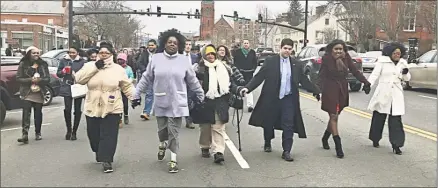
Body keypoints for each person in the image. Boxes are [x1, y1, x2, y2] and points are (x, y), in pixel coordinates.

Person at [132, 29, 204, 173]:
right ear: (164, 43)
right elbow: (146, 78)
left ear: (179, 45)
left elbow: (192, 80)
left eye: (175, 43)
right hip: (161, 100)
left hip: (178, 101)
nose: (172, 45)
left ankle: (173, 159)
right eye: (169, 42)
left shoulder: (184, 60)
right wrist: (136, 94)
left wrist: (201, 95)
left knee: (174, 132)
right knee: (162, 131)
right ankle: (162, 144)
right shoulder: (156, 59)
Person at [239, 38, 320, 162]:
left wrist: (316, 90)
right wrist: (247, 88)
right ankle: (267, 141)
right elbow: (259, 77)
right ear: (280, 48)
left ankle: (286, 150)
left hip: (288, 98)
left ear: (292, 50)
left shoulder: (296, 64)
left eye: (289, 49)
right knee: (268, 121)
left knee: (288, 124)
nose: (287, 51)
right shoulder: (271, 61)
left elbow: (303, 80)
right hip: (272, 97)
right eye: (285, 48)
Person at [74, 42, 135, 173]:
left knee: (109, 135)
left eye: (106, 53)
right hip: (92, 105)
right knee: (94, 135)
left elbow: (126, 86)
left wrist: (134, 97)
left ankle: (107, 160)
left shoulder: (118, 69)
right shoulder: (89, 66)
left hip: (112, 106)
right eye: (101, 53)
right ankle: (98, 150)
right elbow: (79, 79)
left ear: (111, 54)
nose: (103, 55)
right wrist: (95, 67)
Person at [317, 39, 371, 158]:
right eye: (336, 49)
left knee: (335, 115)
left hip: (342, 89)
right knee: (333, 116)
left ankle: (325, 137)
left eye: (340, 49)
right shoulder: (326, 59)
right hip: (330, 88)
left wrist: (366, 82)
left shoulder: (346, 58)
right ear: (331, 49)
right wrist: (317, 90)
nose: (338, 51)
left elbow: (355, 71)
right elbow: (321, 75)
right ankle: (338, 145)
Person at [191, 44, 245, 163]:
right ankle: (205, 146)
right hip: (204, 101)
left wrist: (239, 90)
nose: (210, 56)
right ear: (204, 55)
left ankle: (218, 152)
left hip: (221, 100)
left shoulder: (224, 67)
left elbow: (231, 84)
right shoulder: (199, 69)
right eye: (208, 54)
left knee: (218, 127)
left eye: (212, 54)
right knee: (205, 127)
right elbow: (193, 85)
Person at [367, 42, 410, 155]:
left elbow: (407, 78)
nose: (397, 55)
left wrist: (405, 73)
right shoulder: (382, 62)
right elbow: (375, 75)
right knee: (379, 117)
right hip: (383, 91)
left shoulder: (402, 63)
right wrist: (368, 85)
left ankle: (397, 145)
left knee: (396, 120)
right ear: (390, 53)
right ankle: (375, 138)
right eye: (395, 53)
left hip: (396, 93)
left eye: (399, 53)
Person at [16, 46, 51, 143]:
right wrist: (30, 80)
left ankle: (38, 132)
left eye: (37, 53)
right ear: (29, 54)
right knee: (26, 113)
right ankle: (25, 134)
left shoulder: (43, 64)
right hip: (27, 91)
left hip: (39, 92)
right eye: (33, 53)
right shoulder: (23, 64)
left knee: (38, 113)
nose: (36, 54)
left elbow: (47, 78)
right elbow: (18, 78)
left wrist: (40, 80)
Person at [57, 46, 87, 140]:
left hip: (78, 87)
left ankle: (74, 131)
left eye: (73, 52)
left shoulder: (82, 62)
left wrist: (77, 76)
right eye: (70, 52)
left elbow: (86, 74)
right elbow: (58, 73)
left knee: (77, 110)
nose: (71, 54)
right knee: (67, 109)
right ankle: (68, 130)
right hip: (67, 87)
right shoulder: (64, 61)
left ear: (77, 53)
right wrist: (63, 71)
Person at [232, 39, 257, 112]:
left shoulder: (252, 52)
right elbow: (235, 62)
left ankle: (250, 105)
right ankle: (238, 104)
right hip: (240, 73)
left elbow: (255, 62)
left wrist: (253, 69)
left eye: (247, 43)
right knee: (239, 88)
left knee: (249, 88)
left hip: (249, 73)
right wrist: (237, 71)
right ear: (242, 44)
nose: (246, 44)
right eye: (244, 43)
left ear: (249, 44)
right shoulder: (238, 52)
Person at [137, 39, 157, 120]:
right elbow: (139, 63)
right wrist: (144, 70)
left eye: (152, 45)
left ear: (155, 45)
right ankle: (146, 112)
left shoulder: (160, 54)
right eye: (149, 45)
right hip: (149, 76)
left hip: (159, 76)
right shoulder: (144, 54)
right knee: (149, 94)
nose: (150, 47)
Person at [183, 39, 200, 129]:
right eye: (186, 44)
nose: (188, 46)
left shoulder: (194, 57)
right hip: (181, 81)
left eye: (190, 44)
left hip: (192, 82)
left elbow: (197, 68)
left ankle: (189, 120)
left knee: (191, 101)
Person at [116, 53, 135, 127]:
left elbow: (131, 76)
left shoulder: (128, 68)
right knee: (118, 104)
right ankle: (119, 119)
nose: (120, 61)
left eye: (121, 60)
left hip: (125, 88)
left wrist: (128, 81)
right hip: (117, 88)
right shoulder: (115, 68)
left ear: (125, 60)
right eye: (119, 60)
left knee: (125, 104)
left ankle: (126, 115)